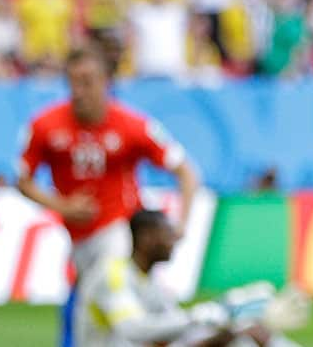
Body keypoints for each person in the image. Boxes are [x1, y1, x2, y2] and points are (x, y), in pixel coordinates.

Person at [16, 44, 200, 347]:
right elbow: (23, 181)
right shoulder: (45, 125)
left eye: (87, 81)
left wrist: (182, 223)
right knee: (90, 307)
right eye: (73, 82)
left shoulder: (132, 125)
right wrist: (62, 205)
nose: (79, 90)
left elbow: (186, 171)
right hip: (79, 241)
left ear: (106, 82)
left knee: (112, 312)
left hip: (119, 232)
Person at [76, 209, 305, 347]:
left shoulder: (152, 283)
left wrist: (234, 322)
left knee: (247, 339)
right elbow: (134, 329)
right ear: (146, 238)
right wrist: (202, 316)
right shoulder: (112, 275)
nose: (174, 242)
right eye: (167, 235)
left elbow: (177, 334)